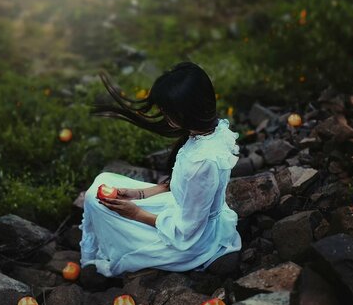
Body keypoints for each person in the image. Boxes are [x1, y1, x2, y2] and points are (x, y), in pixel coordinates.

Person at [78, 61, 242, 278]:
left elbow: (187, 231)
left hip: (189, 240)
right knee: (103, 181)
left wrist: (135, 213)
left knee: (96, 203)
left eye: (166, 111)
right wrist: (139, 194)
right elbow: (180, 188)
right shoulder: (214, 130)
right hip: (182, 210)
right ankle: (96, 253)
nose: (162, 114)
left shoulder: (201, 163)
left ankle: (94, 261)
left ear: (184, 112)